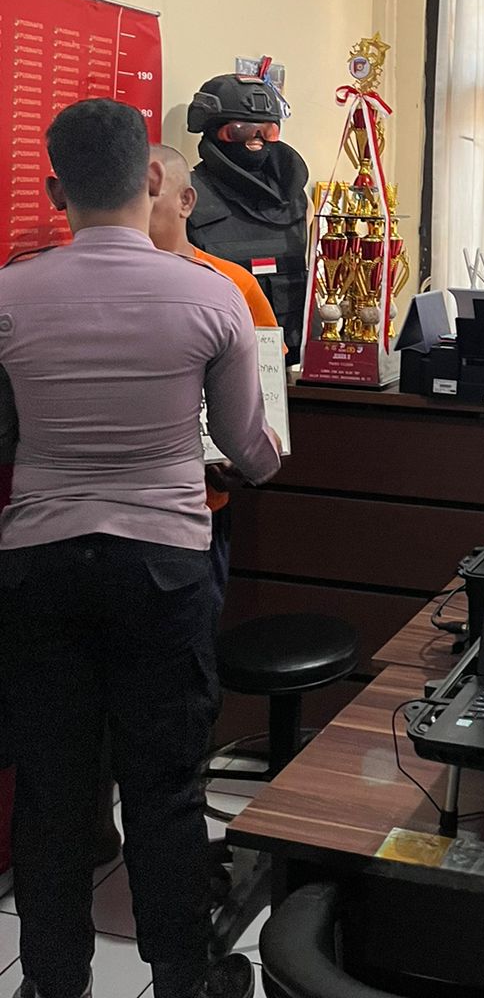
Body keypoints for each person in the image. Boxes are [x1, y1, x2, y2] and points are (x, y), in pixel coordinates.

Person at [0, 99, 281, 998]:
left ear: (57, 192)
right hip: (162, 567)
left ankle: (53, 983)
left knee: (52, 794)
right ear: (153, 177)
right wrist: (265, 457)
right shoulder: (209, 294)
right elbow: (246, 448)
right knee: (166, 789)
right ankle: (182, 982)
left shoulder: (9, 296)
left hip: (41, 567)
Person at [150, 142, 282, 603]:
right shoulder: (98, 283)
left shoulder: (233, 285)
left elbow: (266, 387)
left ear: (186, 201)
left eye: (149, 195)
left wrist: (244, 458)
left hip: (201, 504)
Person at [185, 74, 309, 354]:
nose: (256, 139)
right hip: (220, 356)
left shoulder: (295, 196)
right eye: (241, 130)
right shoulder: (187, 197)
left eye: (268, 131)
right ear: (212, 130)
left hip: (292, 358)